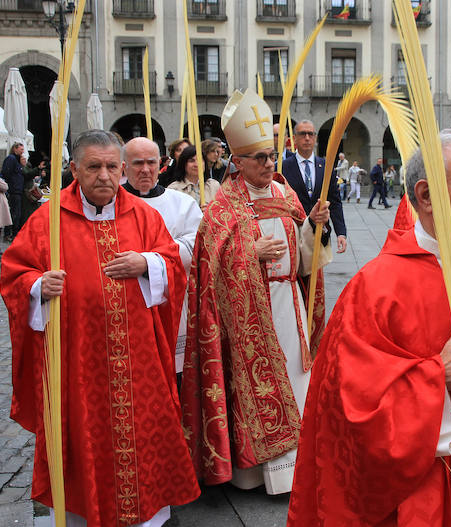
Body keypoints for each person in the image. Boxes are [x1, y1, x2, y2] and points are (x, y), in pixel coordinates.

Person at [288, 132, 451, 525]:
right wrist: (436, 377)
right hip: (418, 495)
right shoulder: (375, 288)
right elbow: (348, 411)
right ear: (426, 197)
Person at [0, 130, 200, 527]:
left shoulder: (144, 216)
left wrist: (148, 264)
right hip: (78, 364)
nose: (104, 175)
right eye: (94, 167)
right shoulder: (48, 219)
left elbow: (172, 263)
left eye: (112, 166)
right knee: (82, 438)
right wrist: (38, 286)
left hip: (140, 364)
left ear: (121, 169)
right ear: (75, 169)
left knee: (145, 438)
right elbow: (13, 273)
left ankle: (149, 519)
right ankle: (82, 514)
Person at [181, 89, 333, 495]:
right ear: (239, 162)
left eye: (271, 156)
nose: (269, 164)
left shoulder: (285, 195)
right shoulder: (224, 204)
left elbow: (307, 260)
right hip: (248, 314)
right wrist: (249, 252)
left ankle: (297, 469)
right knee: (255, 388)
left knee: (298, 379)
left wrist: (315, 226)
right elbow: (207, 262)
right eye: (260, 159)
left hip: (290, 303)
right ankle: (256, 473)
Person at [122, 137, 203, 393]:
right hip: (126, 306)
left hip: (172, 304)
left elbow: (197, 245)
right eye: (137, 163)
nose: (145, 169)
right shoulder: (111, 205)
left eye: (151, 162)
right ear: (124, 167)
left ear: (162, 164)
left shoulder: (182, 204)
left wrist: (149, 260)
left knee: (173, 377)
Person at [282, 120, 348, 253]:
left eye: (310, 134)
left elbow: (334, 202)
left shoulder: (326, 166)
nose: (307, 138)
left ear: (315, 138)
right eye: (302, 134)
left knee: (317, 273)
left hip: (319, 233)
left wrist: (341, 233)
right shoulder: (283, 167)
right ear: (294, 138)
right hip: (294, 234)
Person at [0, 142, 25, 240]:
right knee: (14, 213)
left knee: (16, 213)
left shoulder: (17, 160)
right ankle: (10, 233)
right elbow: (6, 173)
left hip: (17, 189)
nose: (22, 151)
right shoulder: (11, 159)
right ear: (15, 149)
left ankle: (13, 232)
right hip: (13, 190)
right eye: (21, 149)